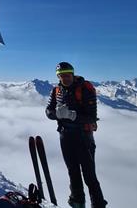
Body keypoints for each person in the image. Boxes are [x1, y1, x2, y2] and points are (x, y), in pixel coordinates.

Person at [46, 62, 107, 208]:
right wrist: (56, 115)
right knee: (73, 171)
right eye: (61, 76)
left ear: (73, 74)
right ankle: (77, 202)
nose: (64, 78)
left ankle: (97, 204)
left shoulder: (85, 89)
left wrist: (73, 116)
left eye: (67, 75)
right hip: (65, 135)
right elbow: (48, 110)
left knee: (89, 175)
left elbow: (92, 117)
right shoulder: (56, 90)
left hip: (83, 137)